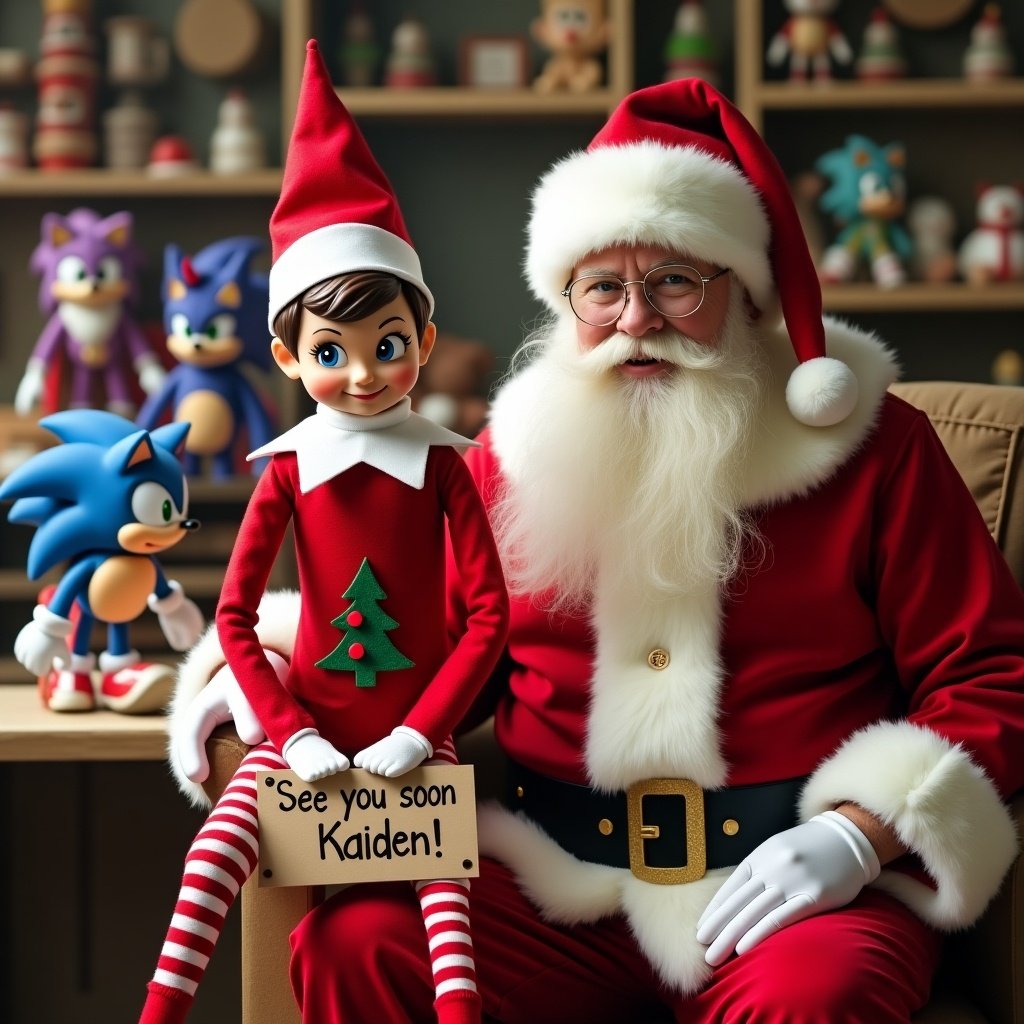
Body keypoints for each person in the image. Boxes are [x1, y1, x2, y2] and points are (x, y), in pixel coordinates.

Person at [171, 78, 1024, 1022]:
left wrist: (864, 835)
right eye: (602, 286)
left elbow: (994, 676)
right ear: (563, 297)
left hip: (789, 893)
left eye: (674, 281)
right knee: (360, 945)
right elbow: (436, 637)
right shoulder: (505, 456)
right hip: (551, 878)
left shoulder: (877, 448)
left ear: (742, 289)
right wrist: (280, 667)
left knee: (821, 995)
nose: (635, 318)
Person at [137, 41, 508, 1024]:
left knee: (448, 926)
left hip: (414, 741)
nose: (361, 374)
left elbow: (485, 616)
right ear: (287, 357)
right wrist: (291, 730)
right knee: (212, 857)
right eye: (331, 351)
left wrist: (424, 732)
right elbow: (234, 612)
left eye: (386, 346)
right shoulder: (289, 472)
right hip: (308, 729)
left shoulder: (443, 465)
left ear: (422, 341)